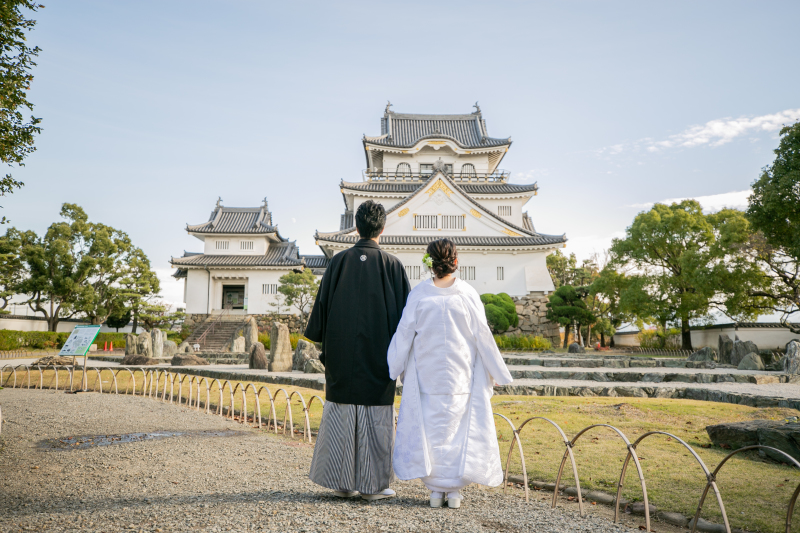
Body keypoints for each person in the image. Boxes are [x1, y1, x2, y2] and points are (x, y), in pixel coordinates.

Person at [387, 238, 513, 509]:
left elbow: (405, 333)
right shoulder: (467, 294)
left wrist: (394, 365)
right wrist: (497, 372)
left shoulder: (419, 294)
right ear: (456, 262)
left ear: (429, 264)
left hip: (427, 374)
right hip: (460, 374)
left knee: (431, 430)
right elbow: (483, 336)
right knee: (458, 429)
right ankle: (454, 492)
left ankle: (434, 490)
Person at [305, 200, 411, 502]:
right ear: (382, 228)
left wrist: (327, 343)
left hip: (341, 353)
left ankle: (340, 481)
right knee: (375, 418)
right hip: (379, 356)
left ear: (356, 227)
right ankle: (371, 486)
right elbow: (405, 320)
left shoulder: (338, 262)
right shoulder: (392, 265)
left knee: (341, 412)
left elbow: (322, 310)